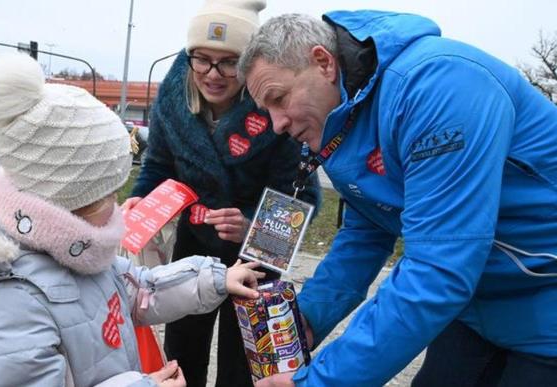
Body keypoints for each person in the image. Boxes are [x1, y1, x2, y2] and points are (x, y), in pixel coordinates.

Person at [238, 11, 557, 387]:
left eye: (279, 99)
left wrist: (321, 381)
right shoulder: (345, 123)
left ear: (323, 62)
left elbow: (439, 268)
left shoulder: (438, 88)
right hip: (475, 309)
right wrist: (306, 320)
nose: (276, 125)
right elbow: (366, 233)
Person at [0, 53, 267, 387]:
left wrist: (217, 278)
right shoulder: (9, 305)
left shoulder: (78, 252)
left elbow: (140, 288)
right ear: (71, 202)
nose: (117, 206)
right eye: (108, 194)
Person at [122, 1, 321, 386]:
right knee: (182, 353)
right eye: (201, 59)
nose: (212, 74)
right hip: (193, 248)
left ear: (250, 62)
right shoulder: (174, 97)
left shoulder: (278, 105)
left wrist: (249, 226)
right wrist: (142, 201)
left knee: (243, 363)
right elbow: (159, 163)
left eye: (228, 62)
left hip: (256, 258)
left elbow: (298, 195)